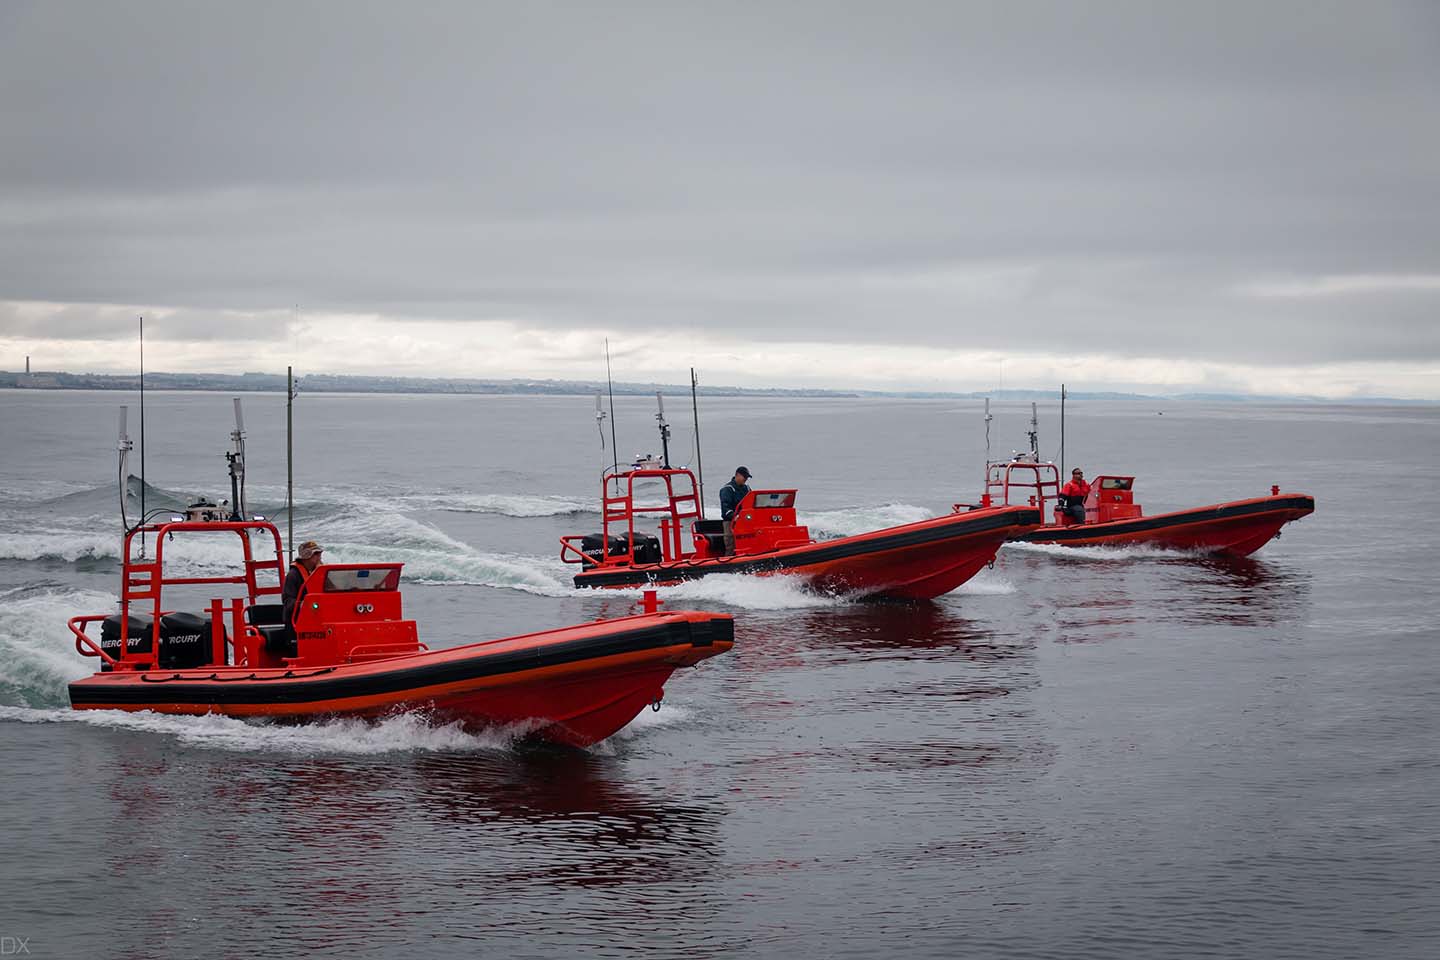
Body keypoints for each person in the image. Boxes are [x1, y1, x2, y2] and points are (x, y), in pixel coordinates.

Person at [282, 540, 324, 627]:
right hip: (297, 621)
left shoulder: (320, 573)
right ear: (306, 557)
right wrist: (304, 604)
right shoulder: (293, 575)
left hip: (317, 618)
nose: (319, 557)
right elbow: (287, 601)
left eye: (319, 554)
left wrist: (320, 573)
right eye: (315, 554)